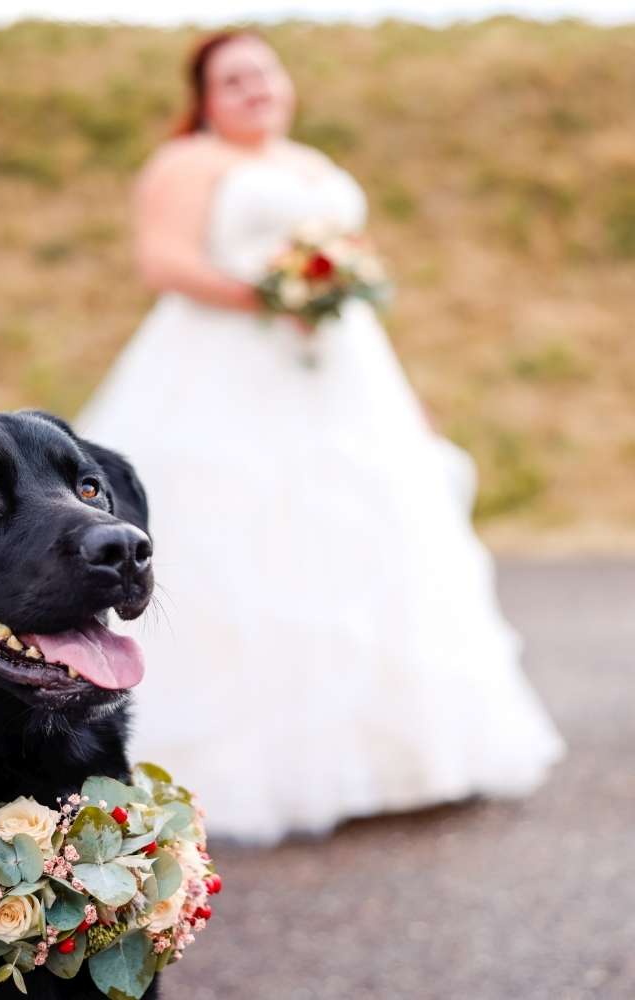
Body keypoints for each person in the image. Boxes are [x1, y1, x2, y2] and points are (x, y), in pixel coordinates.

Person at [77, 31, 564, 842]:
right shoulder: (188, 164)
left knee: (376, 541)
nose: (254, 88)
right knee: (242, 546)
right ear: (204, 95)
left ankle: (396, 759)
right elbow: (163, 261)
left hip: (344, 373)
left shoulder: (307, 162)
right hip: (223, 374)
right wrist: (272, 294)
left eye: (264, 72)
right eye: (233, 79)